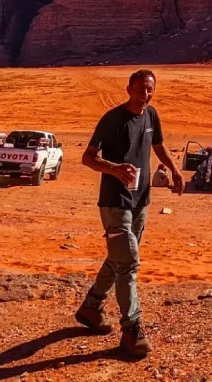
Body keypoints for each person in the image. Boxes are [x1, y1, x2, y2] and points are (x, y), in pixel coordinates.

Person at [76, 70, 184, 359]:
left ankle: (91, 307)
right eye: (140, 89)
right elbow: (88, 157)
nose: (145, 94)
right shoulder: (112, 120)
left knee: (119, 258)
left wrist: (173, 169)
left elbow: (158, 145)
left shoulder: (151, 115)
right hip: (115, 202)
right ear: (128, 89)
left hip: (141, 200)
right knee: (129, 264)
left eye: (149, 89)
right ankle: (132, 331)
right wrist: (113, 168)